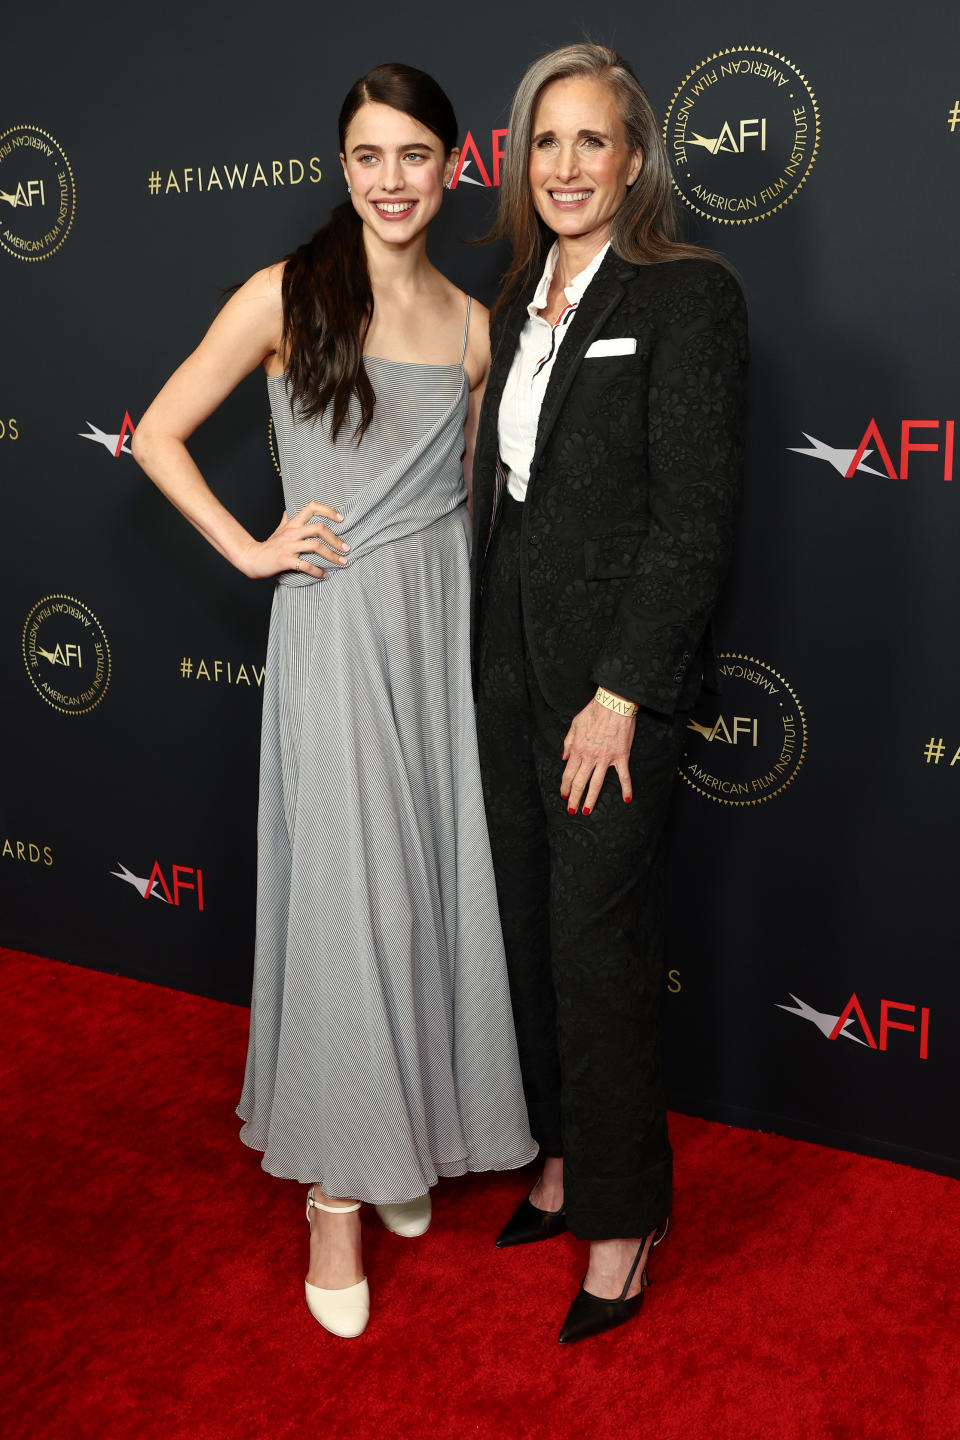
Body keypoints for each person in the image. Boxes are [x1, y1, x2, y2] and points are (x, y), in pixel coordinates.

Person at [132, 62, 536, 1340]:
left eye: (416, 154)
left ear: (453, 164)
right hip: (337, 625)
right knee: (346, 895)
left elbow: (475, 499)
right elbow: (155, 434)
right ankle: (334, 1199)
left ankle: (402, 1132)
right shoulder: (284, 295)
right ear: (343, 167)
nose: (392, 180)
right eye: (369, 156)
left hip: (435, 633)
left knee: (421, 880)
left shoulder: (478, 326)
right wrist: (251, 547)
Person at [471, 43, 748, 1344]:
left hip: (608, 694)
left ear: (635, 158)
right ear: (522, 162)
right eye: (546, 142)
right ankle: (567, 1158)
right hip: (508, 671)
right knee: (529, 925)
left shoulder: (689, 296)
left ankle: (626, 1222)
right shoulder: (517, 289)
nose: (568, 166)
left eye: (593, 141)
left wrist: (625, 691)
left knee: (599, 943)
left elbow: (695, 520)